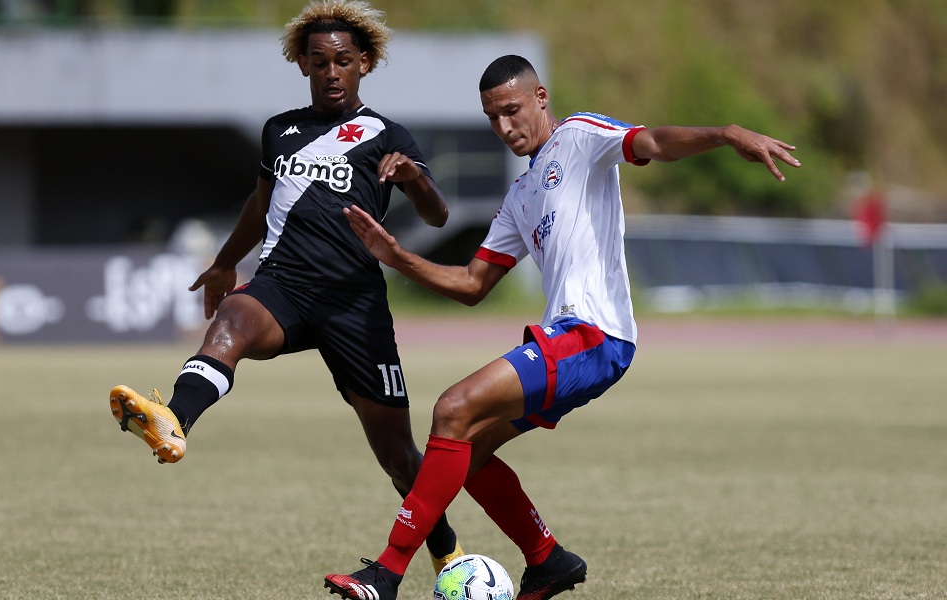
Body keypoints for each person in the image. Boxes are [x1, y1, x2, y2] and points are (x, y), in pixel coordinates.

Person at [323, 54, 801, 600]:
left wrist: (726, 132)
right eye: (493, 119)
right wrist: (397, 256)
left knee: (452, 409)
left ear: (541, 98)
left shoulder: (579, 137)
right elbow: (472, 284)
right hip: (567, 342)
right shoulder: (520, 197)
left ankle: (385, 575)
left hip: (595, 337)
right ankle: (548, 561)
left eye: (512, 111)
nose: (505, 128)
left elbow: (654, 143)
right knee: (467, 453)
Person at [107, 0, 464, 575]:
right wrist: (226, 265)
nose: (330, 72)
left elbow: (439, 216)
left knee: (397, 453)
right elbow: (260, 203)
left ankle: (448, 552)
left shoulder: (386, 135)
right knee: (228, 324)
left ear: (365, 64)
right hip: (286, 285)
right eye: (318, 61)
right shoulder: (281, 131)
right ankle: (173, 422)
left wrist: (415, 179)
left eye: (342, 61)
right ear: (301, 64)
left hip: (356, 303)